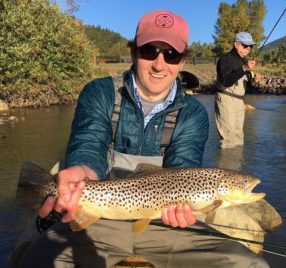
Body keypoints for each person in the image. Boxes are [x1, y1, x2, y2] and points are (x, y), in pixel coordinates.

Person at [17, 12, 268, 268]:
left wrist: (182, 212)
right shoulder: (100, 93)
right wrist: (82, 170)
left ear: (182, 61)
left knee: (249, 264)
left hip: (166, 227)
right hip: (101, 218)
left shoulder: (193, 113)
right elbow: (88, 143)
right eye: (150, 51)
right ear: (134, 53)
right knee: (36, 261)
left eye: (171, 55)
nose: (160, 65)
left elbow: (183, 169)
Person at [215, 31, 262, 149]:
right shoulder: (225, 58)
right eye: (245, 45)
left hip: (239, 101)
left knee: (239, 138)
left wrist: (254, 81)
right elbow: (226, 81)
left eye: (251, 46)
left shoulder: (244, 61)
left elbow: (248, 87)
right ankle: (225, 165)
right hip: (226, 99)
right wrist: (244, 68)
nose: (249, 48)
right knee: (228, 140)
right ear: (236, 45)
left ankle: (236, 166)